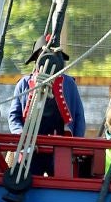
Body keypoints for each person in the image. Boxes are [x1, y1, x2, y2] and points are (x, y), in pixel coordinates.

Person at [8, 38, 86, 177]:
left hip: (61, 148)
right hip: (30, 148)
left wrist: (76, 145)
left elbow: (79, 117)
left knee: (61, 186)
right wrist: (22, 136)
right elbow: (14, 116)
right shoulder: (25, 84)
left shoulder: (68, 84)